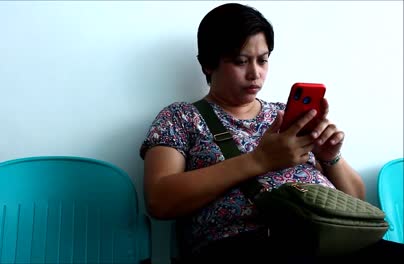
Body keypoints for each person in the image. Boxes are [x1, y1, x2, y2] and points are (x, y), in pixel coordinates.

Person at [139, 3, 404, 263]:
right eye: (241, 61)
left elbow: (355, 203)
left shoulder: (287, 114)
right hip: (246, 244)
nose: (255, 73)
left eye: (263, 60)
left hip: (330, 240)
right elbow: (160, 200)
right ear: (208, 63)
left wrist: (331, 158)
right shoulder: (180, 117)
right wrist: (260, 160)